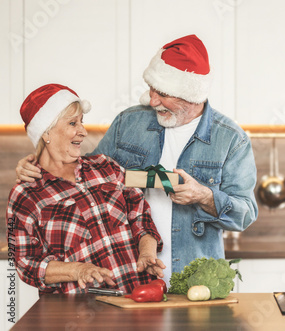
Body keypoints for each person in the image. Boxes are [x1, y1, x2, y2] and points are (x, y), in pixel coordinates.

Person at [16, 35, 258, 284]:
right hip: (131, 280)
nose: (152, 100)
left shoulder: (231, 140)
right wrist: (38, 164)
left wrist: (204, 196)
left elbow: (245, 214)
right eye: (152, 89)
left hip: (195, 280)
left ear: (189, 95)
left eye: (162, 93)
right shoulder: (128, 123)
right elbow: (84, 177)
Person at [8, 84, 165, 294]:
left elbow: (140, 215)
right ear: (46, 132)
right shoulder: (26, 194)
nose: (82, 131)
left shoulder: (106, 166)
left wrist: (147, 252)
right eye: (73, 123)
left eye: (81, 122)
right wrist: (77, 270)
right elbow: (26, 264)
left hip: (140, 300)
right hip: (80, 315)